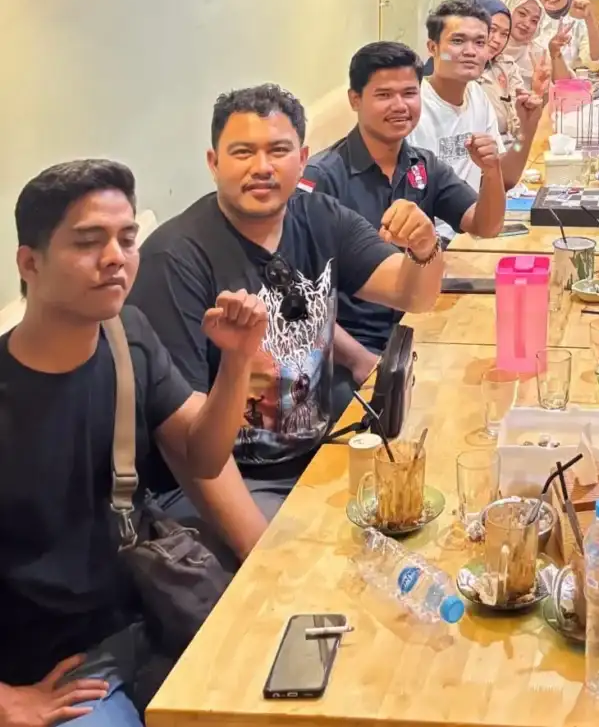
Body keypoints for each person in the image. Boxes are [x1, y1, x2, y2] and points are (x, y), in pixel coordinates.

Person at [0, 160, 270, 722]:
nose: (115, 258)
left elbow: (203, 455)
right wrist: (6, 702)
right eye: (88, 242)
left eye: (127, 239)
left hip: (154, 614)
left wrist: (236, 360)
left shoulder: (128, 336)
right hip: (59, 666)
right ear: (29, 263)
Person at [130, 84, 445, 536]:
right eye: (242, 152)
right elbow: (187, 450)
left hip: (315, 446)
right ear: (213, 163)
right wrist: (262, 553)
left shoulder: (317, 214)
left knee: (426, 497)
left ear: (302, 159)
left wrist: (424, 247)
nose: (262, 167)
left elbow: (413, 295)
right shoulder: (173, 261)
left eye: (278, 151)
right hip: (230, 479)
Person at [304, 42, 504, 379]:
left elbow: (486, 226)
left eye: (409, 93)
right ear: (355, 100)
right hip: (349, 353)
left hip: (417, 329)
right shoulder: (322, 178)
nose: (400, 106)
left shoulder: (422, 164)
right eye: (384, 95)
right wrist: (361, 362)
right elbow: (298, 300)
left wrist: (492, 171)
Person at [408, 0, 543, 240]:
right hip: (427, 243)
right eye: (457, 41)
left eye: (480, 42)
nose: (471, 51)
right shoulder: (412, 108)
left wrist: (526, 131)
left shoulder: (477, 96)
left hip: (469, 232)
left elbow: (505, 179)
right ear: (433, 47)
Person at [474, 0, 524, 143]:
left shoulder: (505, 66)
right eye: (492, 29)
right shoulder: (458, 71)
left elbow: (519, 124)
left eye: (504, 34)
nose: (497, 40)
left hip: (507, 145)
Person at [498, 0, 556, 88]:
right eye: (522, 14)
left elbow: (548, 93)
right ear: (507, 10)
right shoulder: (491, 47)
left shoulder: (539, 54)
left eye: (534, 21)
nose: (527, 24)